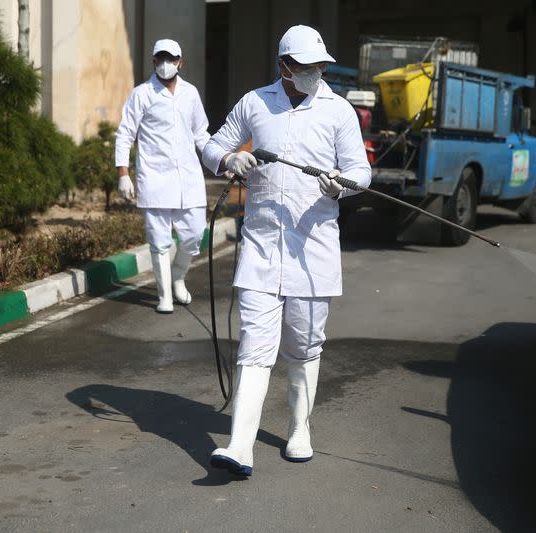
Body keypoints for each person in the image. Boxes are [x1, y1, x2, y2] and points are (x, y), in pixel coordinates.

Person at [201, 25, 371, 476]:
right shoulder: (256, 102)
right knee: (254, 347)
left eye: (321, 66)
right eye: (308, 66)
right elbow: (214, 143)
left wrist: (343, 185)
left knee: (305, 345)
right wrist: (227, 159)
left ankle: (299, 428)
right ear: (285, 67)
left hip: (313, 250)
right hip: (260, 247)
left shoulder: (339, 111)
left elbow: (361, 170)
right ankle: (240, 445)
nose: (317, 73)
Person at [115, 38, 211, 313]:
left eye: (171, 59)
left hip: (189, 179)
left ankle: (178, 276)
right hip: (154, 178)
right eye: (160, 59)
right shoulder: (141, 94)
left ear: (181, 62)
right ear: (153, 61)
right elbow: (125, 134)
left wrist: (220, 161)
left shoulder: (191, 94)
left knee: (193, 235)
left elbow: (201, 133)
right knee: (159, 242)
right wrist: (124, 173)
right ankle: (164, 296)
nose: (165, 64)